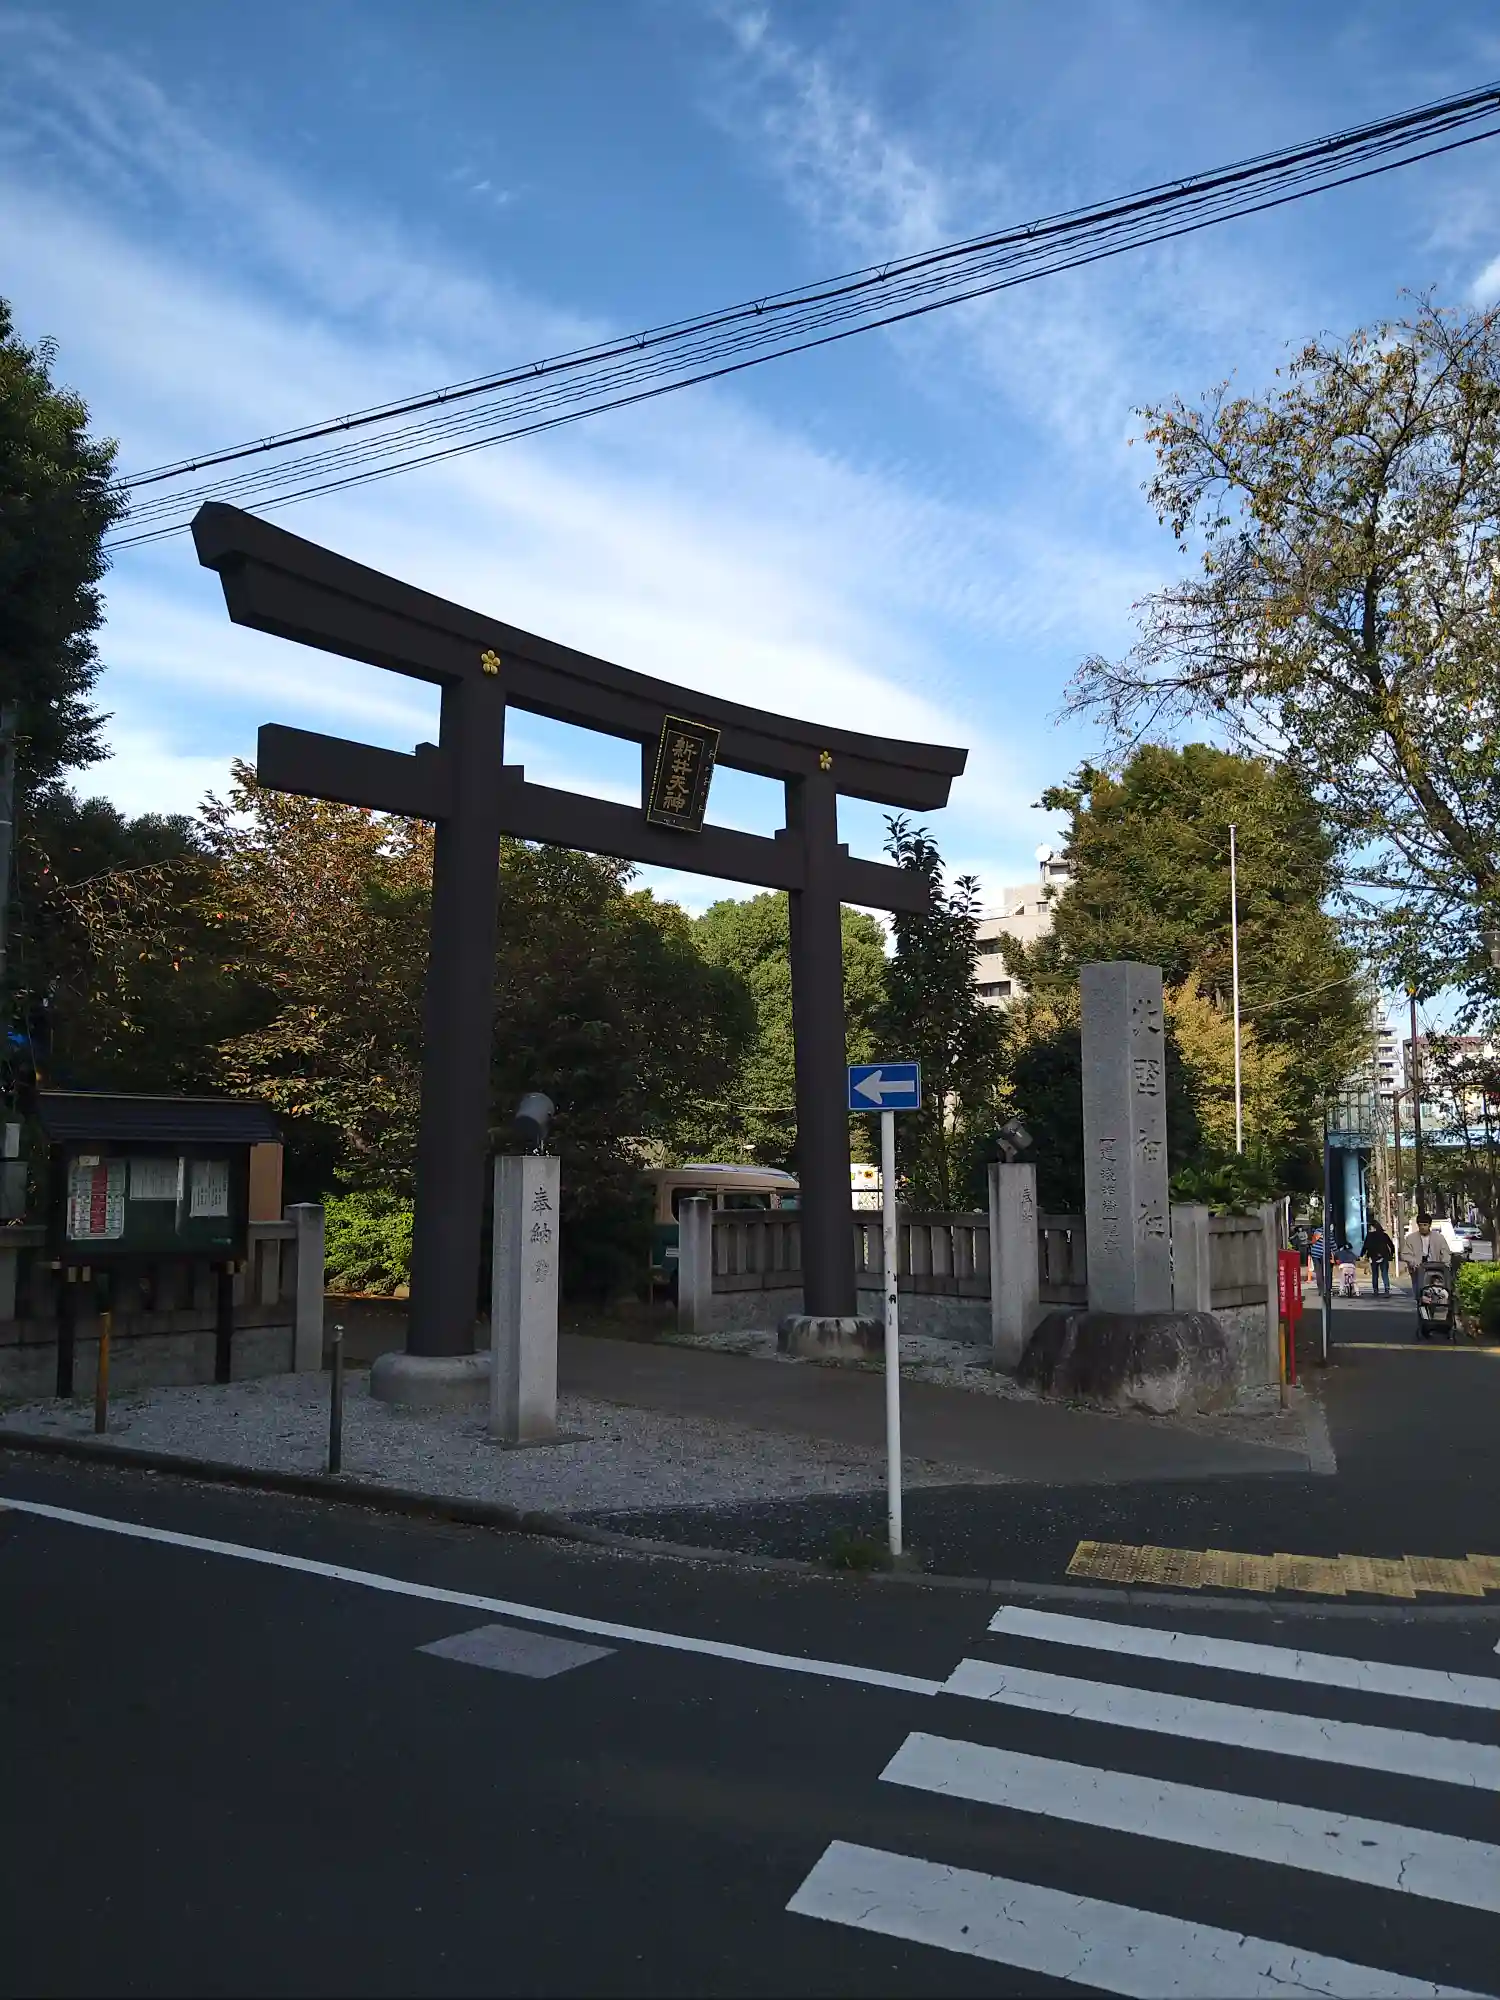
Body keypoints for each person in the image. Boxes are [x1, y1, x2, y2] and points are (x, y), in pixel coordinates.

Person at [1400, 1211, 1450, 1298]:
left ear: (1429, 1225)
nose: (1422, 1227)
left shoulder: (1439, 1238)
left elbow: (1446, 1253)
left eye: (1425, 1225)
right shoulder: (1411, 1238)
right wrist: (1413, 1262)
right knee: (1419, 1294)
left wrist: (1445, 1263)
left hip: (1436, 1269)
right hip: (1418, 1270)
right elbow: (1405, 1254)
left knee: (1437, 1292)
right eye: (1420, 1225)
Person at [1362, 1219, 1395, 1296]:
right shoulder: (1384, 1235)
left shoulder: (1369, 1236)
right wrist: (1391, 1254)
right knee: (1384, 1273)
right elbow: (1391, 1245)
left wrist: (1362, 1255)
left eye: (1370, 1227)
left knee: (1375, 1274)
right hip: (1384, 1256)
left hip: (1373, 1256)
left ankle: (1375, 1290)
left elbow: (1365, 1246)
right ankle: (1387, 1289)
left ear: (1373, 1227)